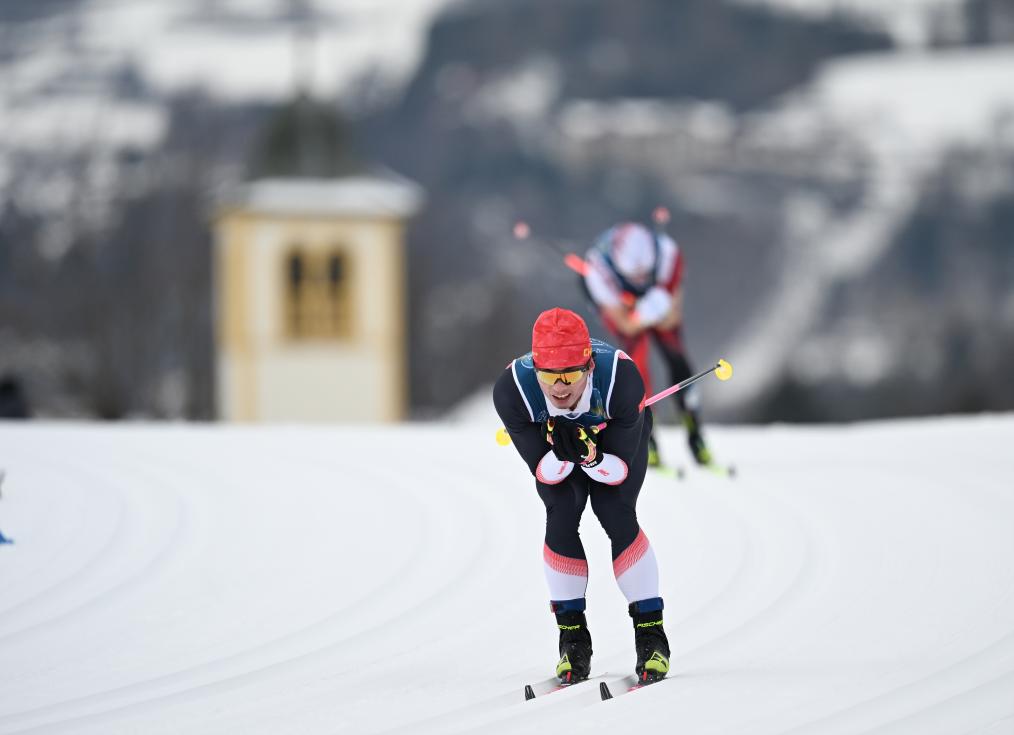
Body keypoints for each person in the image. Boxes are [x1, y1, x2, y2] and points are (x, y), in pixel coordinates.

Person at [493, 307, 670, 685]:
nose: (559, 388)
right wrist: (562, 452)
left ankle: (651, 637)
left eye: (570, 375)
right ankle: (572, 641)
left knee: (615, 511)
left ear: (588, 367)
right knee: (561, 511)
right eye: (548, 376)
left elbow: (618, 472)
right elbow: (543, 472)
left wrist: (590, 456)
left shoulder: (621, 379)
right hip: (554, 451)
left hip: (614, 443)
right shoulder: (513, 391)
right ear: (535, 369)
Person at [582, 222, 710, 468]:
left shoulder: (668, 254)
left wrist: (659, 306)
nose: (640, 280)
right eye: (634, 276)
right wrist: (642, 314)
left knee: (674, 350)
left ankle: (695, 432)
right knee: (636, 358)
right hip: (620, 304)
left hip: (655, 298)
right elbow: (626, 325)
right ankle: (646, 437)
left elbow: (671, 318)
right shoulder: (597, 269)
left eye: (645, 274)